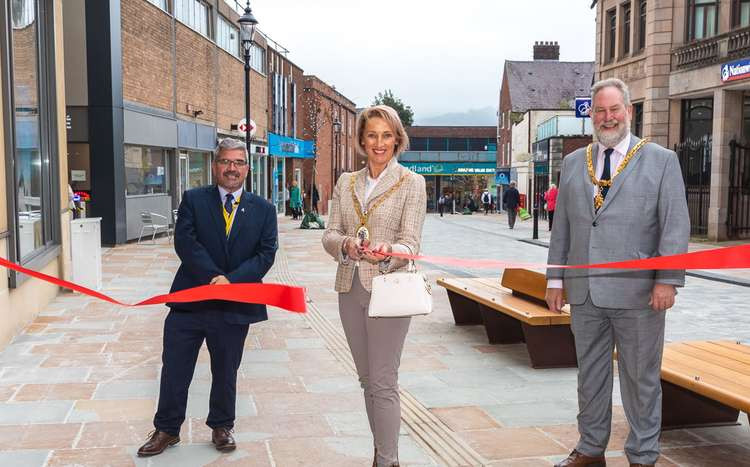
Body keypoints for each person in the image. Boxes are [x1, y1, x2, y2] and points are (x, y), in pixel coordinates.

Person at [545, 78, 689, 467]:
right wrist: (555, 279)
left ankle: (642, 456)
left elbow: (674, 225)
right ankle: (591, 450)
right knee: (590, 377)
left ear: (629, 111)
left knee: (640, 381)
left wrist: (667, 280)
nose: (607, 118)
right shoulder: (575, 162)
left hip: (639, 295)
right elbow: (564, 228)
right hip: (585, 293)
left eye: (614, 110)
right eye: (600, 111)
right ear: (592, 115)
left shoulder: (661, 160)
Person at [137, 138, 278, 457]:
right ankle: (166, 430)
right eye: (226, 162)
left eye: (238, 163)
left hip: (235, 304)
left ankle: (221, 426)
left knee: (226, 369)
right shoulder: (194, 200)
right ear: (215, 166)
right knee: (175, 367)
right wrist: (213, 277)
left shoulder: (264, 210)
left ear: (247, 168)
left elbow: (266, 254)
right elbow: (186, 244)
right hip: (190, 302)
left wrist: (230, 281)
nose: (232, 168)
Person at [322, 105, 426, 467]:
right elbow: (330, 234)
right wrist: (346, 245)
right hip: (350, 287)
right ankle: (383, 450)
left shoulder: (412, 183)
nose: (379, 143)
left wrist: (389, 252)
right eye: (372, 135)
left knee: (383, 380)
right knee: (367, 380)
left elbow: (411, 243)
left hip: (389, 289)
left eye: (386, 135)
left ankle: (387, 460)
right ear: (361, 141)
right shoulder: (345, 182)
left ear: (397, 139)